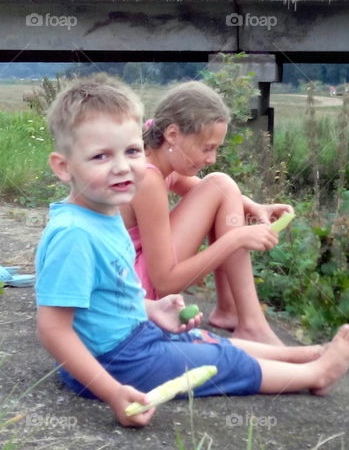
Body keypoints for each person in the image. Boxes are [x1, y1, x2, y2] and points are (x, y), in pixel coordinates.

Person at [35, 75, 349, 427]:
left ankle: (304, 354)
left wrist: (152, 308)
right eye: (101, 156)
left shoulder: (105, 209)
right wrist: (113, 391)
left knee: (200, 338)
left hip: (129, 337)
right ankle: (316, 374)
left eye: (132, 151)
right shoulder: (75, 234)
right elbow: (53, 328)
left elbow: (109, 293)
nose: (123, 167)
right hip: (116, 362)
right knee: (218, 364)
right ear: (63, 167)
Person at [119, 81, 291, 346]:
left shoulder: (155, 156)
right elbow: (164, 282)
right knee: (221, 182)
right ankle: (251, 324)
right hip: (136, 288)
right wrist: (236, 239)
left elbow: (216, 193)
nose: (211, 159)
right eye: (207, 148)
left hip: (136, 274)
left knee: (222, 184)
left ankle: (231, 311)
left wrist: (254, 207)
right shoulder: (148, 179)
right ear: (173, 134)